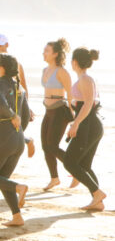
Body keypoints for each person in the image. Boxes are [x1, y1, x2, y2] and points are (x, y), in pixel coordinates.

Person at [0, 53, 29, 227]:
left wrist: (11, 115)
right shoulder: (20, 88)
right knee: (3, 179)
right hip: (18, 140)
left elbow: (2, 106)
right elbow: (25, 116)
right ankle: (17, 216)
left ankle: (20, 188)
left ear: (1, 68)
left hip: (2, 140)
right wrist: (20, 133)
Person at [63, 48, 107, 211]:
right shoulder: (84, 78)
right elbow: (85, 103)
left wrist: (76, 124)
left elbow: (88, 103)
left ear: (74, 62)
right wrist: (75, 121)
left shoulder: (85, 79)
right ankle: (98, 200)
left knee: (70, 161)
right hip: (89, 124)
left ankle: (97, 193)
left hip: (89, 125)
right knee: (85, 165)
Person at [40, 39, 74, 191]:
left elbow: (71, 94)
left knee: (53, 146)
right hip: (48, 111)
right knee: (45, 146)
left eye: (47, 51)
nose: (44, 53)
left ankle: (76, 170)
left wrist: (75, 120)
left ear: (55, 54)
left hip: (60, 111)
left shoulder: (62, 72)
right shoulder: (45, 70)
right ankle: (54, 178)